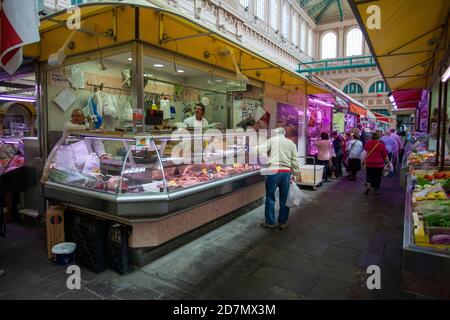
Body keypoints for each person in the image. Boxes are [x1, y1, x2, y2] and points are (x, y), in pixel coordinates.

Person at [259, 127, 300, 230]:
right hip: (286, 172)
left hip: (273, 172)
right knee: (284, 198)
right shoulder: (291, 143)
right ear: (284, 133)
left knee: (270, 197)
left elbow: (259, 149)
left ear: (275, 133)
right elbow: (294, 160)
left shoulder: (272, 140)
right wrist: (296, 173)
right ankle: (282, 222)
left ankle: (270, 222)